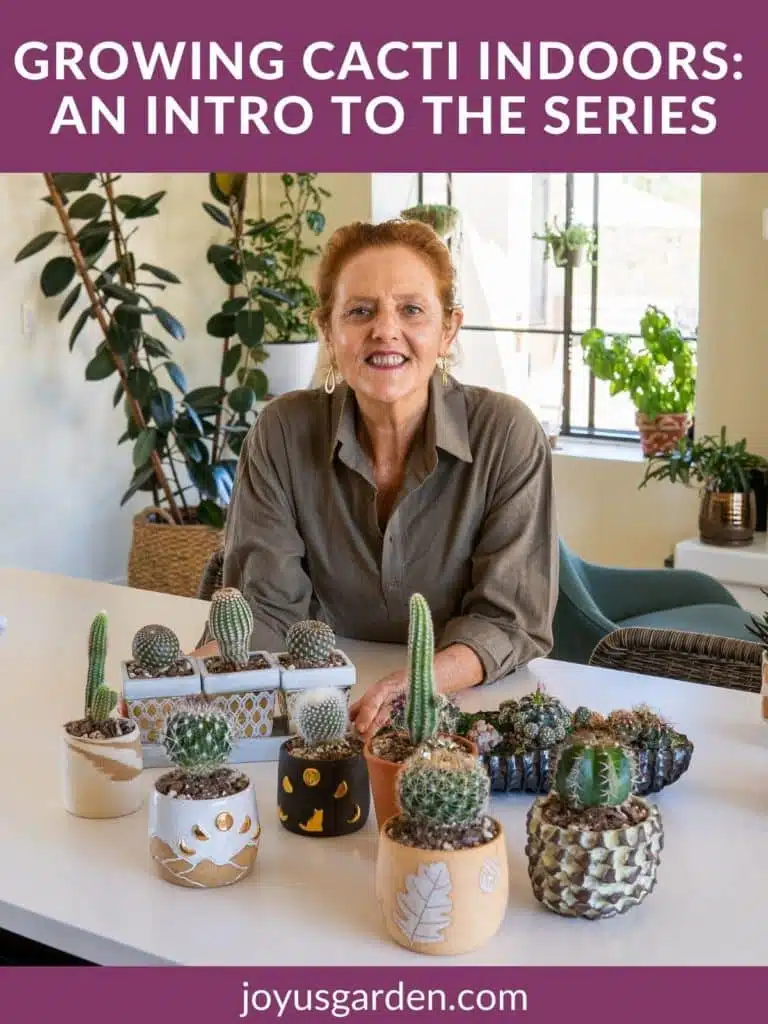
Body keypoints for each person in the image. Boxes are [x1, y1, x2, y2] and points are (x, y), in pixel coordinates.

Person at [195, 218, 558, 740]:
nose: (385, 330)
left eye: (411, 310)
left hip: (466, 711)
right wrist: (175, 678)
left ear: (448, 329)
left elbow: (507, 622)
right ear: (327, 329)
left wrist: (413, 683)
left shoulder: (507, 433)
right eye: (360, 311)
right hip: (319, 711)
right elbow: (266, 609)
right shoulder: (280, 431)